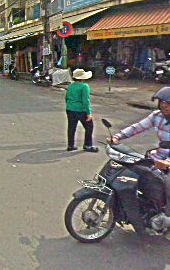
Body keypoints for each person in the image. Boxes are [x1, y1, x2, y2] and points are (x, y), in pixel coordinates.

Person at [111, 87, 170, 228]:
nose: (164, 106)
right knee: (136, 175)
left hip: (167, 162)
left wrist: (168, 162)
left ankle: (167, 218)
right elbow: (137, 127)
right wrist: (118, 136)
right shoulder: (157, 116)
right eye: (162, 102)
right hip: (157, 158)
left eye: (168, 103)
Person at [65, 68, 98, 152]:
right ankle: (88, 145)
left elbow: (66, 97)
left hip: (70, 108)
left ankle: (70, 145)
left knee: (71, 127)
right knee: (89, 127)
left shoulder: (71, 85)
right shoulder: (84, 86)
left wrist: (69, 105)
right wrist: (89, 113)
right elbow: (86, 101)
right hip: (80, 110)